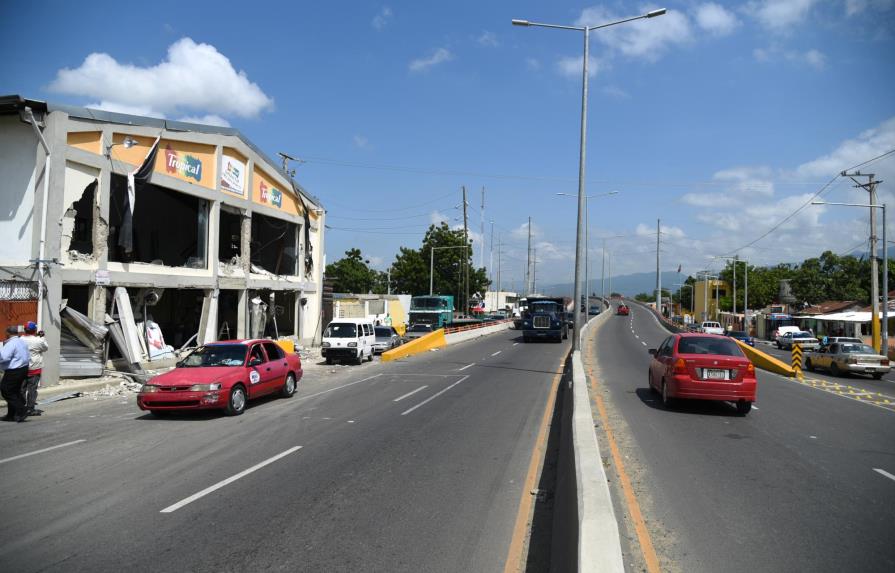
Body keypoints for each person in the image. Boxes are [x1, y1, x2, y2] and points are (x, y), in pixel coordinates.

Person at [0, 325, 31, 422]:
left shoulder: (11, 343)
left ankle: (22, 410)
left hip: (14, 370)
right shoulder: (22, 341)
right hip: (23, 368)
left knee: (6, 390)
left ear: (8, 333)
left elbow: (4, 357)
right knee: (14, 391)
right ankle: (11, 415)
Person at [21, 322, 48, 416]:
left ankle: (20, 408)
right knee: (32, 389)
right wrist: (42, 337)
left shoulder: (20, 340)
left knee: (22, 389)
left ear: (24, 330)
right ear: (34, 330)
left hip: (22, 368)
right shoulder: (38, 340)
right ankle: (30, 409)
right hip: (34, 368)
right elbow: (45, 348)